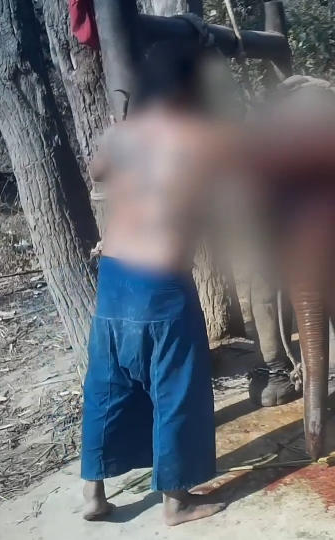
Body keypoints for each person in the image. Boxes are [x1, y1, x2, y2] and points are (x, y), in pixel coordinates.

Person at [79, 41, 241, 526]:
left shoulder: (124, 134)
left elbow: (97, 171)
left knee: (107, 383)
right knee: (177, 385)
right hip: (163, 280)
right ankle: (175, 501)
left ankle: (93, 494)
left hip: (114, 276)